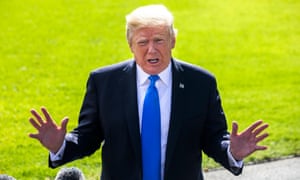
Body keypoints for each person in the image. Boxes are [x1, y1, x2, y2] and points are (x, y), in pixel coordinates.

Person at [28, 4, 269, 180]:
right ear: (130, 45)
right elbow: (88, 136)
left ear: (173, 40)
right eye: (143, 42)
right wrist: (61, 146)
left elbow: (213, 136)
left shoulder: (200, 82)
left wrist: (232, 151)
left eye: (159, 40)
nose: (151, 49)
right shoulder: (104, 82)